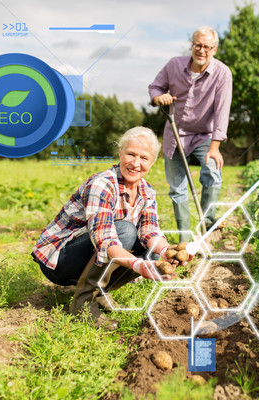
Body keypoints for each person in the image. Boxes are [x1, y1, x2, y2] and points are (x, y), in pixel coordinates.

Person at [31, 127, 178, 331]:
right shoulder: (103, 184)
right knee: (125, 231)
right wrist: (138, 266)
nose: (136, 163)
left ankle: (99, 292)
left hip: (93, 252)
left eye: (144, 158)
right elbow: (104, 239)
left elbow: (150, 231)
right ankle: (83, 303)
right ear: (120, 152)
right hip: (59, 259)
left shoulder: (147, 191)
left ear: (152, 161)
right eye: (131, 154)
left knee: (151, 251)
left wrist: (168, 252)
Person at [149, 26, 232, 241]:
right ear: (191, 45)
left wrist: (215, 147)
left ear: (214, 49)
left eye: (206, 46)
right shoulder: (174, 65)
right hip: (175, 134)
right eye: (197, 45)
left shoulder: (222, 73)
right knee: (177, 189)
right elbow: (155, 87)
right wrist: (159, 98)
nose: (201, 50)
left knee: (212, 172)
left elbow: (222, 111)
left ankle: (207, 224)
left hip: (204, 135)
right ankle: (184, 240)